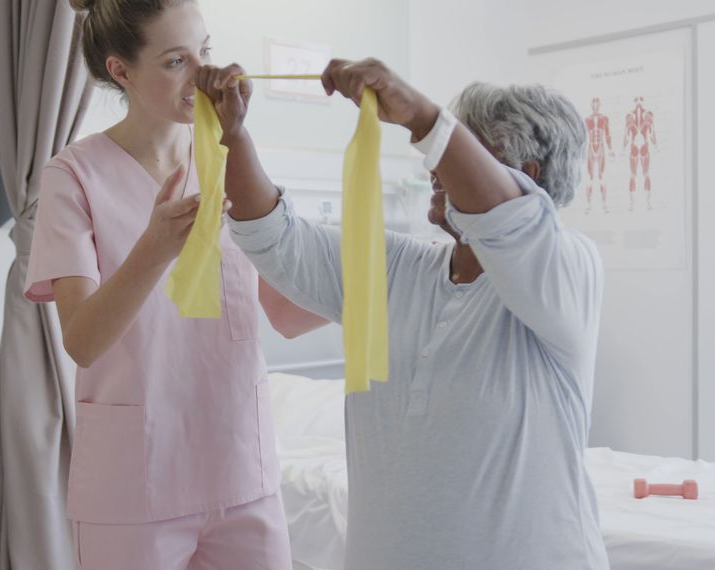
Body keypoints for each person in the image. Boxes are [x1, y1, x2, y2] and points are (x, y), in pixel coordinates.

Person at [197, 59, 610, 569]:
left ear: (527, 180)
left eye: (460, 149)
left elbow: (508, 223)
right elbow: (273, 237)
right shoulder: (397, 267)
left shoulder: (568, 271)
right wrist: (233, 135)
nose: (432, 167)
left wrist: (421, 116)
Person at [24, 1, 317, 567]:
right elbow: (82, 339)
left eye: (204, 52)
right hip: (135, 483)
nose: (201, 76)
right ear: (121, 71)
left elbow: (285, 310)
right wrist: (153, 249)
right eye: (176, 60)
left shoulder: (232, 159)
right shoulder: (74, 176)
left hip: (240, 469)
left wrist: (393, 279)